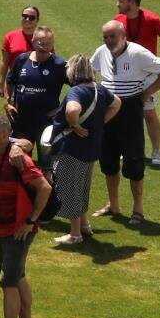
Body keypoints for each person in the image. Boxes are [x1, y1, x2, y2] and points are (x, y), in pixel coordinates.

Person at [0, 113, 51, 318]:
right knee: (18, 276)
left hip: (17, 230)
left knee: (8, 281)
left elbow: (45, 188)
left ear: (3, 135)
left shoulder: (17, 158)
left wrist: (30, 221)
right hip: (6, 227)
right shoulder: (2, 153)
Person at [90, 20, 160, 223]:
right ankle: (114, 205)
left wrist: (148, 92)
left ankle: (138, 209)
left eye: (113, 36)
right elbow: (92, 70)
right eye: (106, 37)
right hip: (108, 109)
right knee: (108, 160)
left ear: (123, 35)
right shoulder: (101, 51)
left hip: (130, 111)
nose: (109, 41)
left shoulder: (138, 53)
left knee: (134, 160)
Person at [50, 58, 120, 245]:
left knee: (70, 189)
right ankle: (84, 225)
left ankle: (75, 234)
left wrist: (75, 124)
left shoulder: (76, 90)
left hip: (72, 148)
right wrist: (101, 122)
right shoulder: (99, 89)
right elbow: (117, 103)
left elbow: (73, 109)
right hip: (90, 147)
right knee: (82, 187)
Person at [115, 0, 160, 166]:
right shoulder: (118, 21)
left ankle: (156, 151)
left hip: (147, 75)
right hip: (125, 74)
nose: (117, 4)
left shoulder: (151, 19)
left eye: (121, 1)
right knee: (122, 113)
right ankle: (125, 148)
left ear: (132, 3)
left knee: (149, 113)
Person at [5, 27, 67, 151]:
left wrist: (62, 109)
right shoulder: (22, 59)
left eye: (48, 43)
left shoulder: (60, 65)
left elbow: (78, 87)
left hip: (47, 121)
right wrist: (7, 103)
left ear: (53, 43)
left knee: (47, 161)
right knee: (19, 159)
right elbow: (10, 80)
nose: (44, 47)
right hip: (21, 120)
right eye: (41, 43)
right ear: (33, 41)